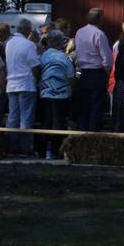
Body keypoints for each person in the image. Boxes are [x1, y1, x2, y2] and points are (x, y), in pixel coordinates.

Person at [5, 18, 40, 154]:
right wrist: (36, 81)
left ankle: (11, 147)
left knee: (13, 117)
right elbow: (34, 66)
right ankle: (25, 149)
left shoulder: (9, 43)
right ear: (27, 30)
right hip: (26, 84)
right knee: (26, 119)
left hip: (11, 84)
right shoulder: (28, 44)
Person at [74, 8, 113, 131]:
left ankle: (82, 134)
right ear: (99, 19)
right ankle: (93, 135)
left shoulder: (79, 32)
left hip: (84, 73)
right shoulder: (99, 34)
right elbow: (107, 58)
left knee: (84, 106)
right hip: (97, 72)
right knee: (96, 107)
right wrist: (106, 71)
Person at [38, 30, 74, 159]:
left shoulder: (43, 56)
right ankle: (55, 150)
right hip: (61, 94)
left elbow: (38, 72)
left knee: (45, 121)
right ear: (59, 42)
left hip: (45, 92)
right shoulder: (64, 57)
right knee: (58, 123)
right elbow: (70, 77)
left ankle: (42, 150)